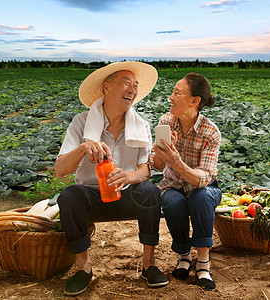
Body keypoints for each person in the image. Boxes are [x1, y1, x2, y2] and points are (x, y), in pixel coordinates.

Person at [55, 61, 168, 296]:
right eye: (126, 83)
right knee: (69, 196)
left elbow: (145, 170)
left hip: (126, 193)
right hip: (91, 197)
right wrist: (83, 148)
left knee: (148, 190)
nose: (132, 90)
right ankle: (84, 268)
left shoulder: (141, 126)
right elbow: (60, 170)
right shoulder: (81, 122)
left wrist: (128, 176)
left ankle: (149, 264)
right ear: (107, 87)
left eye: (135, 85)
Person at [149, 73, 222, 291]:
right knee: (173, 202)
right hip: (173, 185)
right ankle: (183, 255)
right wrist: (162, 153)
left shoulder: (211, 132)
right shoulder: (166, 122)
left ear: (194, 101)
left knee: (200, 197)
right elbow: (159, 166)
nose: (171, 97)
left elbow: (204, 177)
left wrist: (178, 163)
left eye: (177, 93)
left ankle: (203, 263)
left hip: (206, 188)